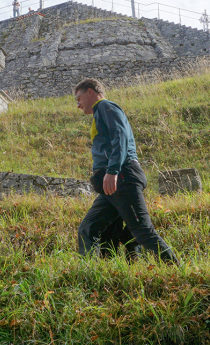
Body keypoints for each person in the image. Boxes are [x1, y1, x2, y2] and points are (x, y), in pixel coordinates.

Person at [74, 78, 179, 263]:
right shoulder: (100, 113)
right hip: (113, 185)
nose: (78, 105)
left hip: (122, 177)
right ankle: (91, 275)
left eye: (79, 98)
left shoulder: (106, 107)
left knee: (142, 231)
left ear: (90, 92)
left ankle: (177, 271)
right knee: (89, 228)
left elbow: (120, 136)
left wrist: (112, 171)